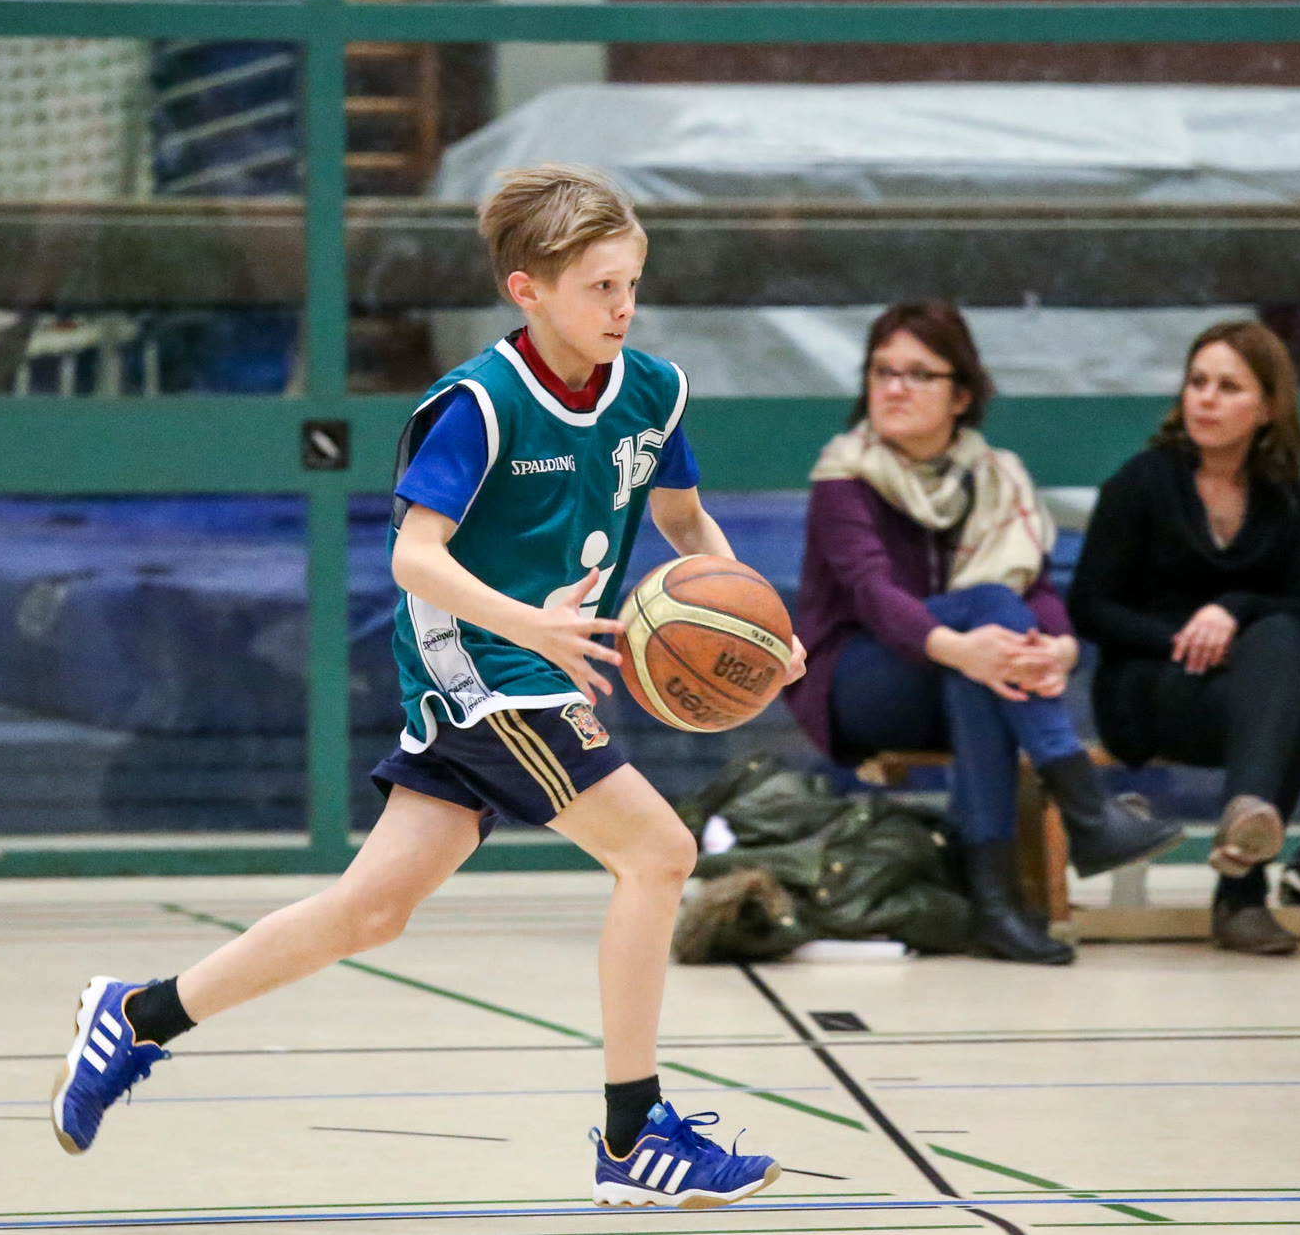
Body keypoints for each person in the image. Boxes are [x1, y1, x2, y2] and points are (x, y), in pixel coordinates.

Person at [50, 165, 803, 1208]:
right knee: (660, 852)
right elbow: (412, 557)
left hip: (533, 671)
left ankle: (138, 1017)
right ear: (527, 290)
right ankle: (634, 1138)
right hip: (481, 670)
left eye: (631, 282)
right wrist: (527, 623)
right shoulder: (478, 406)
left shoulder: (651, 391)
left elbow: (683, 524)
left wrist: (758, 629)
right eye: (599, 286)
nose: (622, 305)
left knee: (369, 912)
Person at [785, 302, 1184, 966]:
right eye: (882, 372)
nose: (894, 388)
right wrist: (964, 648)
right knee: (988, 615)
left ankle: (994, 906)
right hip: (858, 681)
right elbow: (873, 596)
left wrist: (1058, 649)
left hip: (955, 671)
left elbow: (1039, 593)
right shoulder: (843, 476)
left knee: (986, 660)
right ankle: (1086, 813)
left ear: (961, 395)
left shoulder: (997, 477)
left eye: (918, 373)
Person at [1069, 320, 1300, 956]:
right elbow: (1090, 607)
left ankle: (1243, 832)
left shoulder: (1282, 496)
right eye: (1198, 382)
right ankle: (1243, 892)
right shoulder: (1141, 482)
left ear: (1267, 408)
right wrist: (1185, 638)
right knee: (1293, 707)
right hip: (1147, 688)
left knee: (1289, 656)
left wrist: (1231, 611)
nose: (1206, 399)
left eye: (1228, 387)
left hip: (1237, 696)